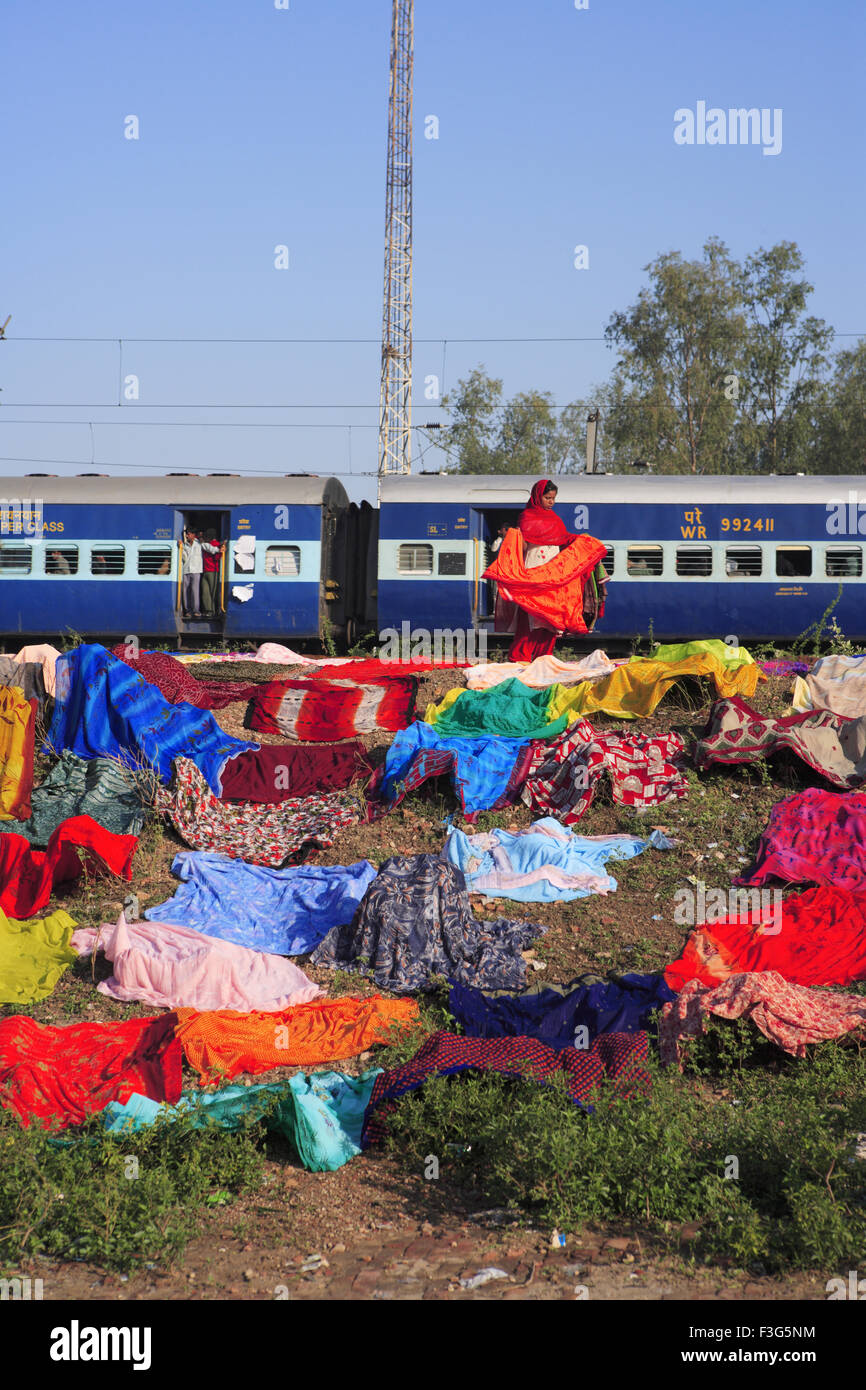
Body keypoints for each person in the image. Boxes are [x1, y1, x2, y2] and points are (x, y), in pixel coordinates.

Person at [499, 480, 607, 662]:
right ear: (537, 496)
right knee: (530, 617)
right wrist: (515, 537)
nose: (551, 502)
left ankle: (544, 658)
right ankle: (520, 658)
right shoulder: (526, 517)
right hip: (533, 571)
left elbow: (563, 539)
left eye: (553, 498)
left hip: (553, 573)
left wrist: (582, 541)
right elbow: (523, 546)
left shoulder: (555, 520)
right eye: (547, 497)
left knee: (551, 617)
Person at [200, 529, 225, 618]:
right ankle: (211, 611)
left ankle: (210, 611)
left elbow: (217, 557)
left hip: (210, 571)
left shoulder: (213, 545)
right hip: (211, 571)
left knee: (206, 592)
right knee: (211, 592)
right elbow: (218, 557)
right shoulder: (218, 545)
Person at [180, 527, 203, 617]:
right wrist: (181, 548)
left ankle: (196, 610)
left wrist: (219, 549)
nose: (186, 536)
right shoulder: (184, 545)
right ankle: (188, 610)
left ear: (193, 535)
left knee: (195, 591)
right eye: (186, 534)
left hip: (196, 570)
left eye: (188, 534)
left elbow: (209, 548)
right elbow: (184, 558)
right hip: (186, 570)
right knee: (185, 591)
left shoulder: (200, 544)